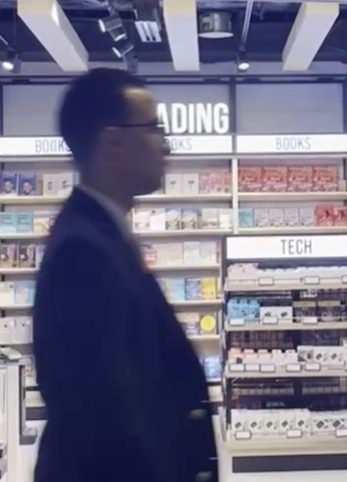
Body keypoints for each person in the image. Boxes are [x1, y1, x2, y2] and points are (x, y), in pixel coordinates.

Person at [33, 68, 217, 482]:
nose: (166, 145)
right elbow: (105, 421)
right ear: (112, 141)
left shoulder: (101, 234)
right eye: (153, 129)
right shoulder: (83, 253)